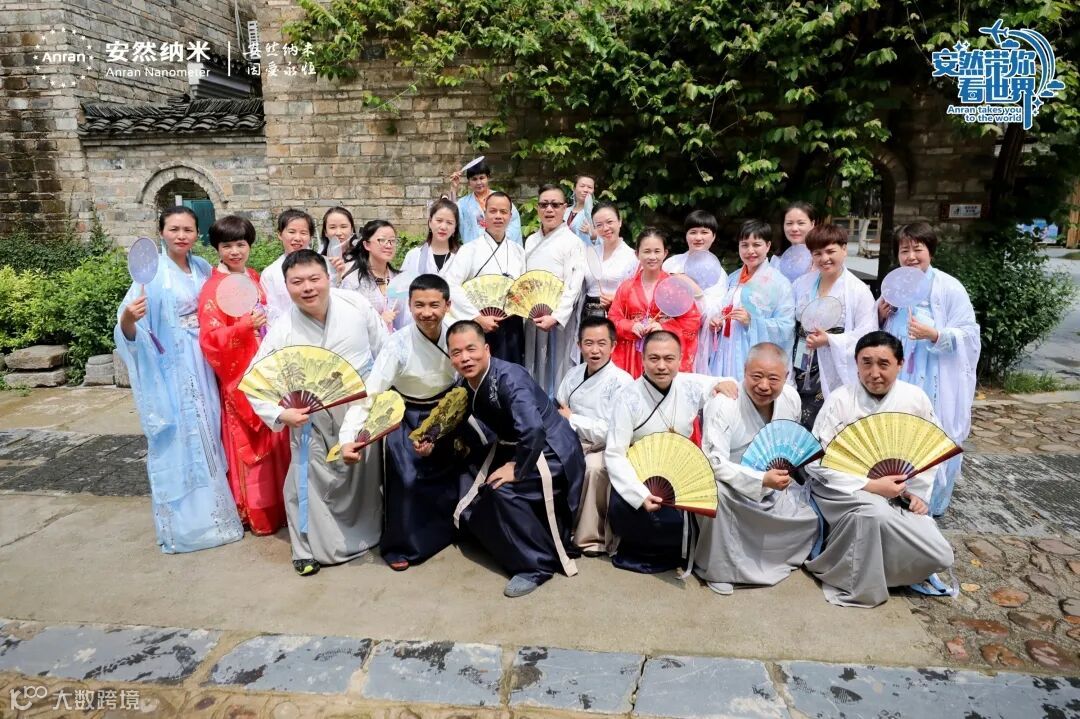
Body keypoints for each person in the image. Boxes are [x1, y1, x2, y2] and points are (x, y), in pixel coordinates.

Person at [244, 249, 388, 576]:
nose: (307, 288)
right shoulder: (284, 328)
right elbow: (255, 379)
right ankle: (305, 547)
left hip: (359, 406)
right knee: (306, 481)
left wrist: (383, 395)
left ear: (328, 278)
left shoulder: (356, 305)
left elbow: (385, 349)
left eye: (314, 279)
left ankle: (367, 534)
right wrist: (280, 415)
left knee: (363, 477)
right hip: (311, 416)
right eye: (297, 282)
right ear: (286, 286)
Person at [115, 206, 244, 553]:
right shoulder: (151, 274)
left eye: (188, 229)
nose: (181, 235)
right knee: (181, 438)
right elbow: (129, 331)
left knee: (210, 430)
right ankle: (188, 527)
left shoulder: (201, 267)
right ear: (161, 232)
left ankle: (220, 516)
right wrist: (129, 319)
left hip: (204, 360)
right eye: (174, 229)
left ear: (197, 234)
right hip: (171, 367)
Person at [338, 274, 480, 570]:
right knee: (407, 479)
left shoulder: (456, 335)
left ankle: (448, 530)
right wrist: (348, 437)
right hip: (406, 415)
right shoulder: (397, 344)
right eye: (419, 305)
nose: (427, 312)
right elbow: (371, 393)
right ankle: (403, 546)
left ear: (447, 305)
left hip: (446, 411)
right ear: (409, 305)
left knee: (450, 473)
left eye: (434, 305)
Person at [805, 331, 955, 608]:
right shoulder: (841, 399)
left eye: (883, 364)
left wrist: (916, 494)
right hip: (842, 490)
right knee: (874, 513)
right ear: (856, 364)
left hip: (900, 492)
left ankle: (882, 574)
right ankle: (858, 583)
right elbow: (817, 460)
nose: (874, 373)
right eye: (866, 363)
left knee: (941, 555)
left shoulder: (915, 399)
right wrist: (870, 486)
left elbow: (928, 453)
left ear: (900, 364)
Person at [447, 320, 584, 597]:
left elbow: (533, 429)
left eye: (471, 349)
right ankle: (490, 534)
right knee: (465, 472)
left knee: (501, 490)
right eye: (457, 352)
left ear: (487, 349)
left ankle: (536, 565)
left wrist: (518, 468)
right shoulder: (466, 382)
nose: (465, 358)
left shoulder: (510, 378)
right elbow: (458, 418)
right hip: (517, 445)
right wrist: (430, 440)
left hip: (549, 449)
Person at [604, 331, 735, 573]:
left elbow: (720, 383)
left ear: (680, 359)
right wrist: (639, 494)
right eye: (654, 358)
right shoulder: (628, 397)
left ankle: (683, 551)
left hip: (680, 471)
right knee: (633, 509)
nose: (661, 366)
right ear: (643, 359)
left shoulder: (688, 384)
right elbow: (614, 454)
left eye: (669, 358)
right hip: (641, 472)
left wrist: (722, 384)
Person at [695, 342, 818, 595]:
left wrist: (776, 477)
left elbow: (787, 440)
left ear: (786, 376)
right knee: (716, 492)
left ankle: (770, 558)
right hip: (732, 483)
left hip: (774, 482)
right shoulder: (724, 403)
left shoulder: (791, 398)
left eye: (773, 379)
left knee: (810, 518)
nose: (764, 386)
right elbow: (713, 461)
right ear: (744, 370)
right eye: (756, 376)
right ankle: (720, 570)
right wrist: (760, 479)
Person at [197, 215, 290, 536]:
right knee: (252, 447)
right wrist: (243, 327)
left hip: (268, 371)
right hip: (240, 376)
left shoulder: (252, 277)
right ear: (217, 248)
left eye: (241, 244)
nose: (235, 251)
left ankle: (281, 507)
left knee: (275, 437)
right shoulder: (213, 289)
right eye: (227, 246)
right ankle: (257, 512)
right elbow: (210, 340)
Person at [879, 222, 980, 517]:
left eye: (917, 249)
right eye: (904, 250)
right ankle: (894, 491)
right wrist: (880, 314)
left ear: (930, 251)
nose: (911, 256)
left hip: (934, 378)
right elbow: (878, 332)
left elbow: (969, 334)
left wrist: (935, 335)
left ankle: (930, 500)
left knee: (931, 429)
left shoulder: (949, 287)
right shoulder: (894, 286)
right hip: (899, 374)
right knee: (895, 428)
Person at [555, 316, 633, 556]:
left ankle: (591, 537)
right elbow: (560, 406)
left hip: (605, 446)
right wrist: (566, 420)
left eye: (601, 343)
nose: (595, 350)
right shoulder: (573, 374)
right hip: (571, 439)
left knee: (593, 468)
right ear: (579, 345)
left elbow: (613, 431)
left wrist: (573, 419)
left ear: (613, 345)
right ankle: (556, 527)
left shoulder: (622, 382)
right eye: (588, 343)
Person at [790, 224, 876, 428]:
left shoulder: (858, 291)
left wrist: (830, 340)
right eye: (817, 253)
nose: (824, 258)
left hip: (834, 366)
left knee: (831, 420)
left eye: (830, 251)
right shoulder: (801, 284)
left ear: (844, 249)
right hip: (801, 361)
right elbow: (790, 325)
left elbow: (868, 335)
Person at [442, 192, 527, 365]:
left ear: (510, 216)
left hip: (511, 326)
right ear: (484, 214)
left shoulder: (518, 251)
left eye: (503, 212)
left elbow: (522, 290)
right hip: (479, 324)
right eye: (493, 211)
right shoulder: (469, 250)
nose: (498, 216)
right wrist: (476, 317)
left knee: (511, 373)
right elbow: (451, 285)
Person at [608, 228, 701, 378]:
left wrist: (664, 328)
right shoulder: (626, 287)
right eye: (647, 251)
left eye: (657, 251)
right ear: (637, 254)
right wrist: (630, 326)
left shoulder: (675, 287)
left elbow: (692, 321)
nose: (652, 256)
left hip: (664, 354)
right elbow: (613, 318)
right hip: (633, 355)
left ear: (665, 253)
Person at [710, 219, 795, 380]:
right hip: (725, 350)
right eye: (744, 245)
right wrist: (717, 321)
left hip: (751, 354)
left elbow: (786, 327)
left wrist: (752, 322)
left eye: (756, 245)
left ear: (768, 246)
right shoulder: (733, 278)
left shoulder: (780, 283)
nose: (750, 251)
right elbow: (723, 309)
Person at [523, 184, 586, 396]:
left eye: (555, 205)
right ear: (538, 209)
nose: (549, 209)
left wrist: (557, 317)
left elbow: (574, 285)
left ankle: (558, 407)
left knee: (558, 368)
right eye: (544, 205)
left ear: (565, 208)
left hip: (558, 320)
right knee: (533, 364)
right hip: (532, 316)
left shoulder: (572, 242)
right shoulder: (531, 240)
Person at [662, 210, 730, 372]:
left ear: (713, 236)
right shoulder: (671, 263)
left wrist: (693, 289)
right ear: (686, 235)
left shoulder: (719, 274)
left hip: (697, 337)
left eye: (704, 232)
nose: (698, 237)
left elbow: (714, 311)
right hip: (666, 332)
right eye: (693, 232)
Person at [343, 219, 409, 332]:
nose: (389, 245)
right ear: (367, 245)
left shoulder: (400, 279)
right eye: (382, 240)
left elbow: (406, 316)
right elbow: (347, 320)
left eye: (392, 241)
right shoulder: (353, 282)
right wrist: (378, 321)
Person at [581, 202, 638, 320]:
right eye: (599, 225)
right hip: (587, 314)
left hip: (615, 315)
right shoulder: (589, 252)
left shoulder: (632, 257)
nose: (605, 228)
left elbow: (637, 293)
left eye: (609, 222)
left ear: (619, 221)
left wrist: (616, 298)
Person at [260, 209, 315, 325]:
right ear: (280, 234)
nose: (297, 238)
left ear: (310, 236)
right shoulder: (270, 273)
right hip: (287, 332)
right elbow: (271, 313)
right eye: (292, 232)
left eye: (303, 233)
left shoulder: (323, 265)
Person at [449, 159, 524, 244]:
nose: (478, 182)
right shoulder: (463, 203)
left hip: (500, 247)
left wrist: (500, 242)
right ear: (469, 182)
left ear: (488, 177)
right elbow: (451, 215)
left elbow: (514, 223)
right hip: (474, 249)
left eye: (482, 178)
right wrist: (453, 188)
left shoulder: (501, 199)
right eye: (474, 179)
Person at [401, 198, 461, 276]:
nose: (443, 227)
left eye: (449, 223)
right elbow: (402, 282)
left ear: (455, 227)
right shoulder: (414, 256)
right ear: (430, 222)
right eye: (439, 220)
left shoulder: (462, 257)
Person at [319, 206, 357, 289]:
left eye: (343, 226)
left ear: (352, 230)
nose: (338, 233)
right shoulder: (317, 260)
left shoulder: (363, 259)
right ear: (325, 232)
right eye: (332, 227)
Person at [563, 175, 596, 244]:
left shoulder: (596, 213)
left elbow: (603, 239)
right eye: (582, 186)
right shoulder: (564, 211)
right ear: (574, 188)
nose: (585, 190)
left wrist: (593, 233)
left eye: (589, 187)